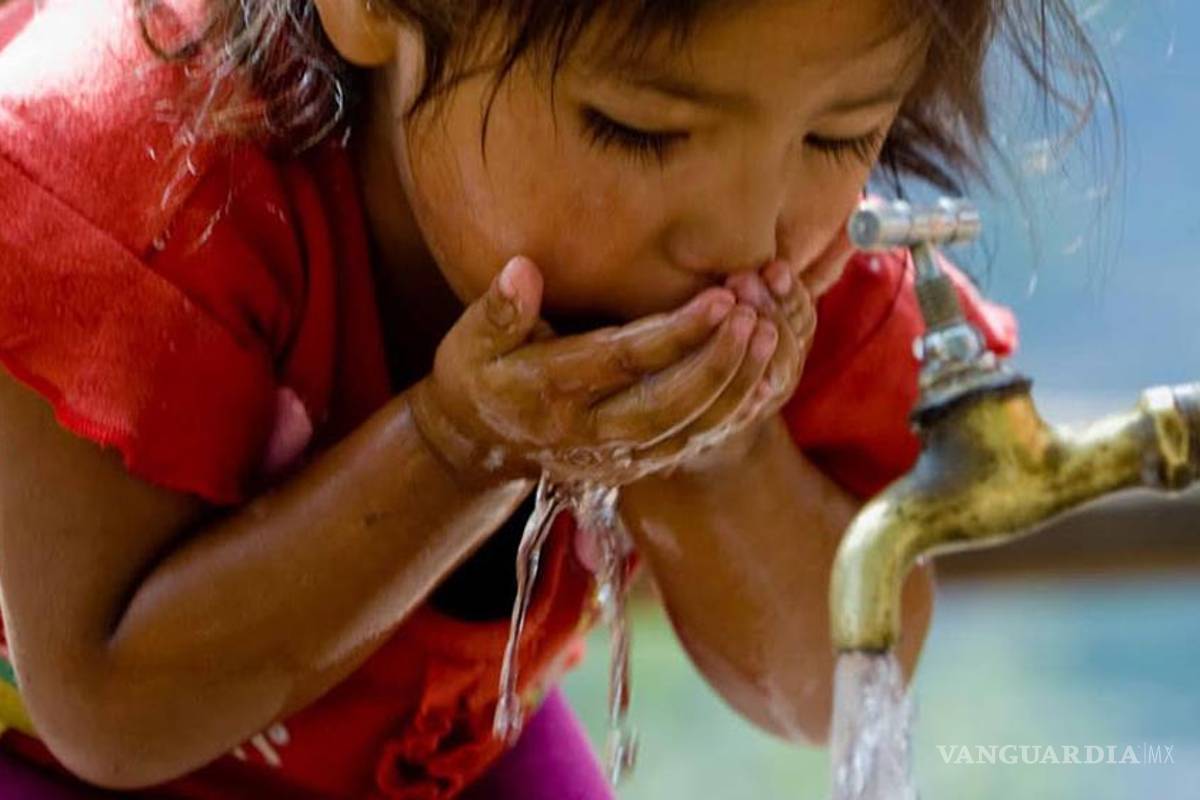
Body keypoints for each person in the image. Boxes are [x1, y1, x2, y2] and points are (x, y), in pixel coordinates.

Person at [0, 0, 1101, 797]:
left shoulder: (805, 259)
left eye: (838, 135)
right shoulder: (127, 182)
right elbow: (108, 706)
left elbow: (839, 684)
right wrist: (457, 447)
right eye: (640, 131)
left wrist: (712, 448)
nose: (740, 235)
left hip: (443, 748)